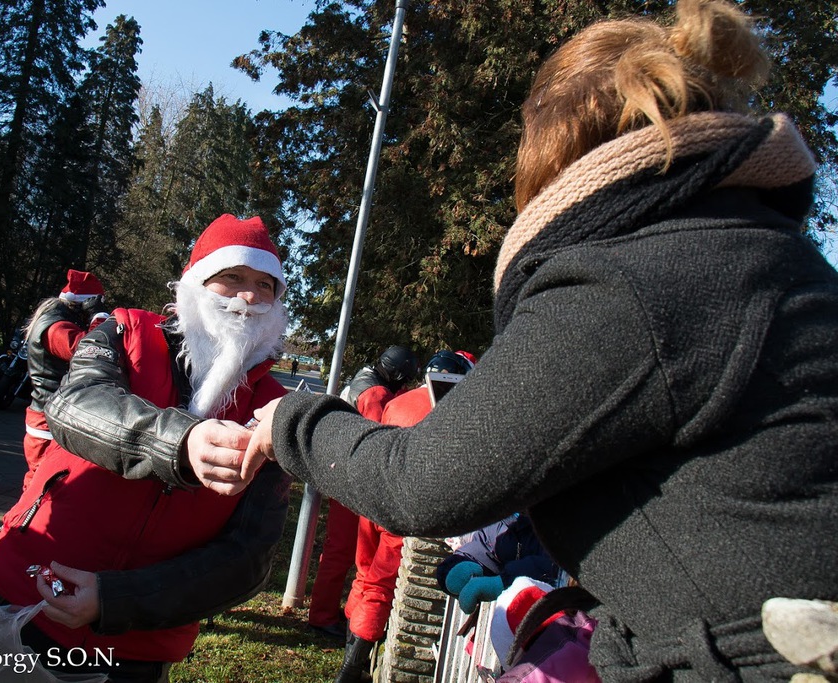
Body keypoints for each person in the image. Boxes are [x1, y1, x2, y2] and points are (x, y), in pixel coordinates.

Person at [239, 1, 838, 679]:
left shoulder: (629, 278)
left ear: (556, 146)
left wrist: (293, 418)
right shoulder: (765, 254)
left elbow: (424, 481)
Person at [0, 214, 292, 682]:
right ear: (196, 282)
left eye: (265, 285)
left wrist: (115, 599)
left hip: (134, 646)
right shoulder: (127, 331)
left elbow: (249, 557)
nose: (249, 297)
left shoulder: (274, 410)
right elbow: (76, 405)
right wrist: (182, 442)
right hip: (28, 591)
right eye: (232, 278)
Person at [334, 349, 472, 682]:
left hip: (372, 500)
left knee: (364, 572)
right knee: (380, 585)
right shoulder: (451, 410)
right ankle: (353, 666)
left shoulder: (398, 402)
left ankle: (351, 638)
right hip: (401, 509)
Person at [306, 345, 419, 642]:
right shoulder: (376, 395)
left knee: (340, 550)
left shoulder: (363, 378)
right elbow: (377, 441)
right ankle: (324, 616)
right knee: (344, 550)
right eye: (404, 380)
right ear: (396, 375)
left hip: (339, 471)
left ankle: (332, 614)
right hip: (351, 479)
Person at [19, 269, 107, 490]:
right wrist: (98, 318)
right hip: (47, 420)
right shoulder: (56, 327)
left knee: (43, 485)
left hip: (49, 414)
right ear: (82, 304)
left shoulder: (55, 320)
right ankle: (22, 525)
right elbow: (88, 350)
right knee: (40, 487)